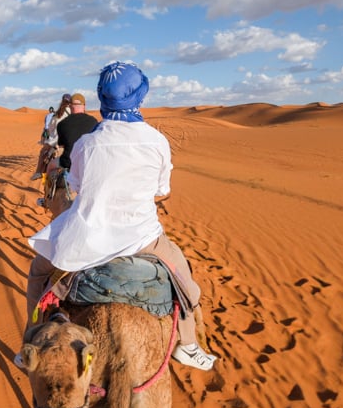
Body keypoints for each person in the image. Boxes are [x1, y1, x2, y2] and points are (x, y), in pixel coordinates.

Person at [24, 61, 217, 371]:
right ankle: (188, 343)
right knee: (182, 274)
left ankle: (30, 339)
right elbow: (161, 189)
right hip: (142, 239)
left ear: (102, 99)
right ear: (139, 97)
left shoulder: (87, 143)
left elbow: (74, 185)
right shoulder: (157, 141)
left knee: (38, 271)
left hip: (85, 238)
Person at [31, 94, 72, 180]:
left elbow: (50, 128)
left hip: (55, 141)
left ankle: (38, 172)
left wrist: (48, 135)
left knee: (43, 152)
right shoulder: (73, 113)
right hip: (69, 141)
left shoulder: (57, 114)